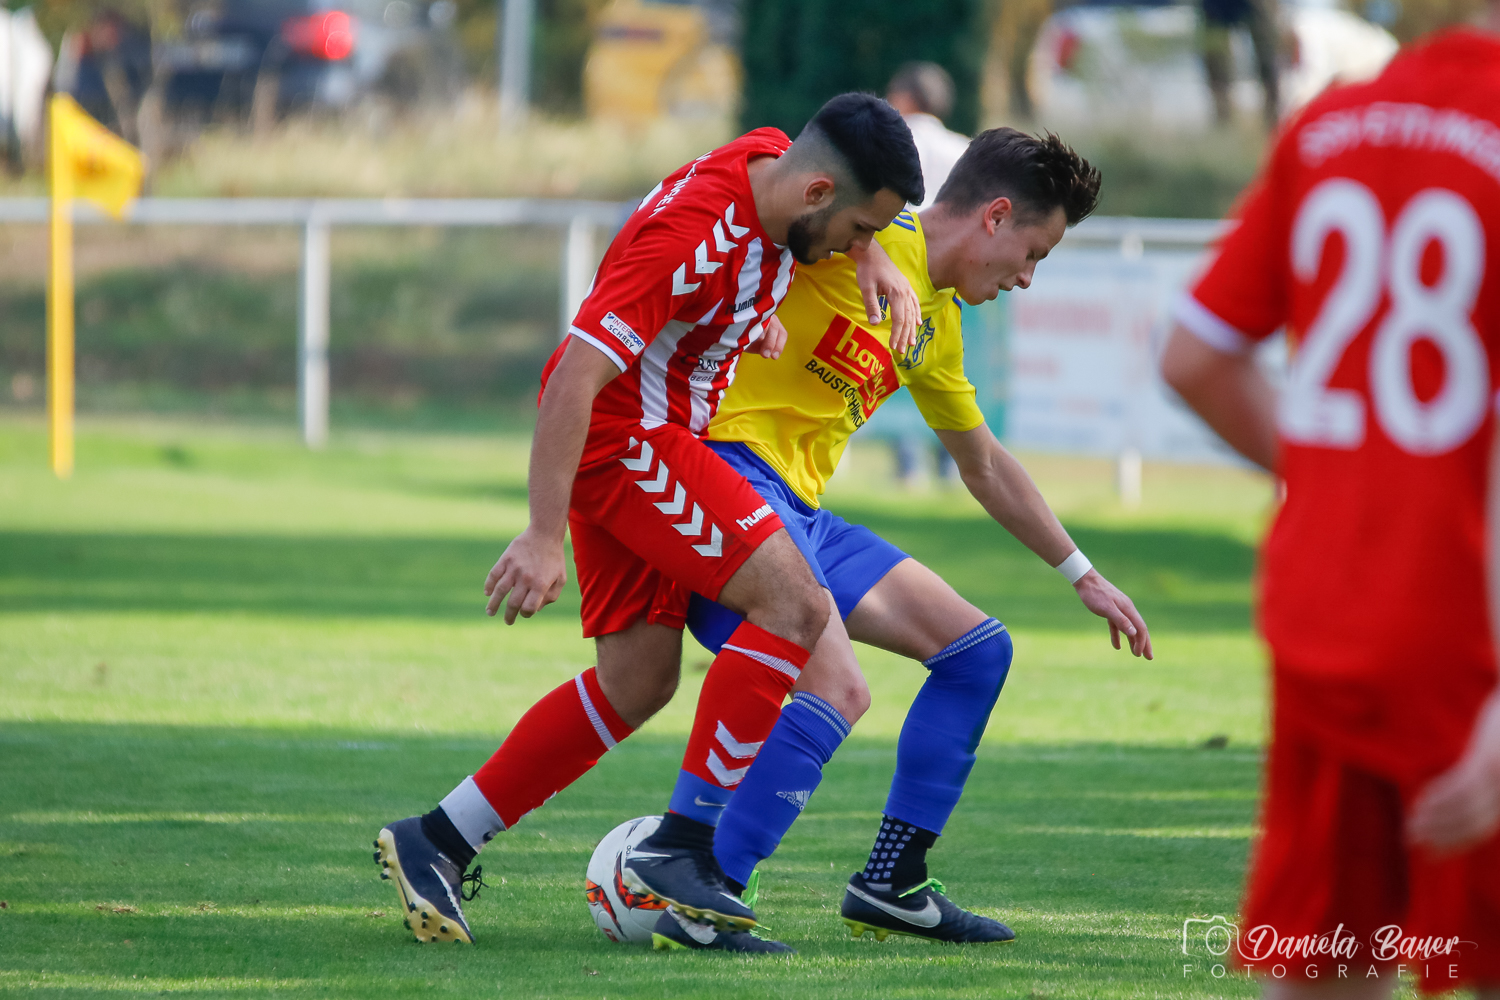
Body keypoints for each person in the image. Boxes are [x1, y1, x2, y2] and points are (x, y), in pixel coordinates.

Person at [372, 92, 925, 945]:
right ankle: (684, 845)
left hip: (649, 437)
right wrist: (539, 533)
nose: (860, 247)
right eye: (860, 230)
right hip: (625, 439)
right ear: (817, 194)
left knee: (639, 682)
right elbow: (573, 377)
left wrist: (869, 260)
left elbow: (793, 221)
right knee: (797, 604)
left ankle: (435, 841)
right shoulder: (691, 238)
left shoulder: (772, 160)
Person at [653, 127, 1153, 953]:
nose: (1027, 279)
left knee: (977, 651)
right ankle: (705, 894)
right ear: (996, 216)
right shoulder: (856, 232)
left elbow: (984, 464)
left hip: (798, 511)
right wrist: (870, 249)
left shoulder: (939, 322)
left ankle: (892, 881)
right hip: (720, 481)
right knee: (837, 684)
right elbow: (792, 181)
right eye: (1034, 252)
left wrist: (1083, 575)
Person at [1160, 15, 1500, 998]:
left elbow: (1192, 355)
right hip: (1465, 635)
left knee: (1324, 963)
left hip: (1326, 616)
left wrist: (1347, 480)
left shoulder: (1330, 127)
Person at [884, 61, 972, 485]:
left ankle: (907, 464)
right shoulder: (965, 151)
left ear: (903, 99)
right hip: (950, 284)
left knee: (885, 364)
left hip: (891, 271)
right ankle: (950, 464)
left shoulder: (889, 141)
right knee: (944, 373)